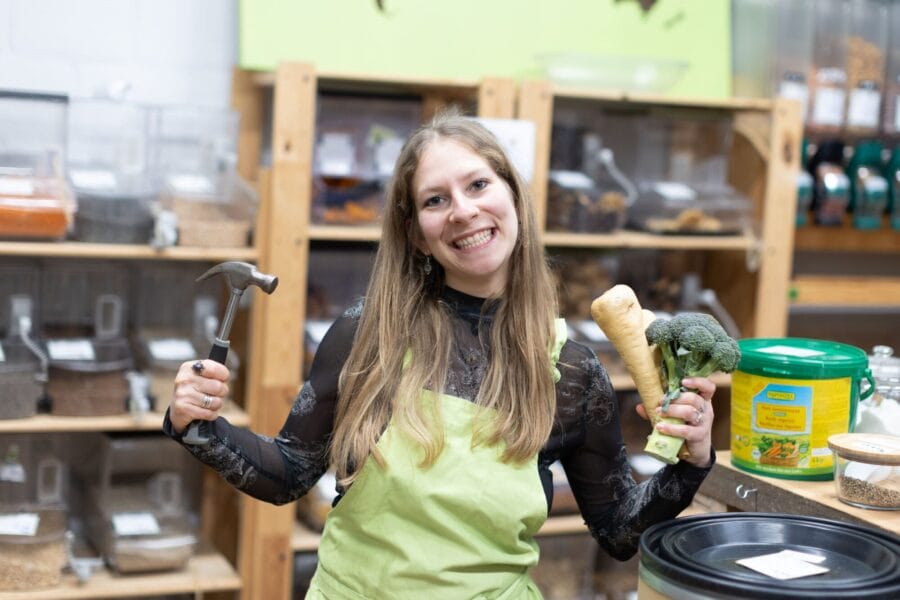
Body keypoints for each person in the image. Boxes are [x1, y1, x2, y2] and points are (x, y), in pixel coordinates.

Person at [166, 110, 717, 599]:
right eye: (436, 200)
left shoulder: (571, 373)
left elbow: (618, 530)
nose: (462, 211)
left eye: (478, 184)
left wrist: (690, 464)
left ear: (512, 195)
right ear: (416, 234)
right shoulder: (369, 334)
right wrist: (198, 425)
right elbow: (289, 474)